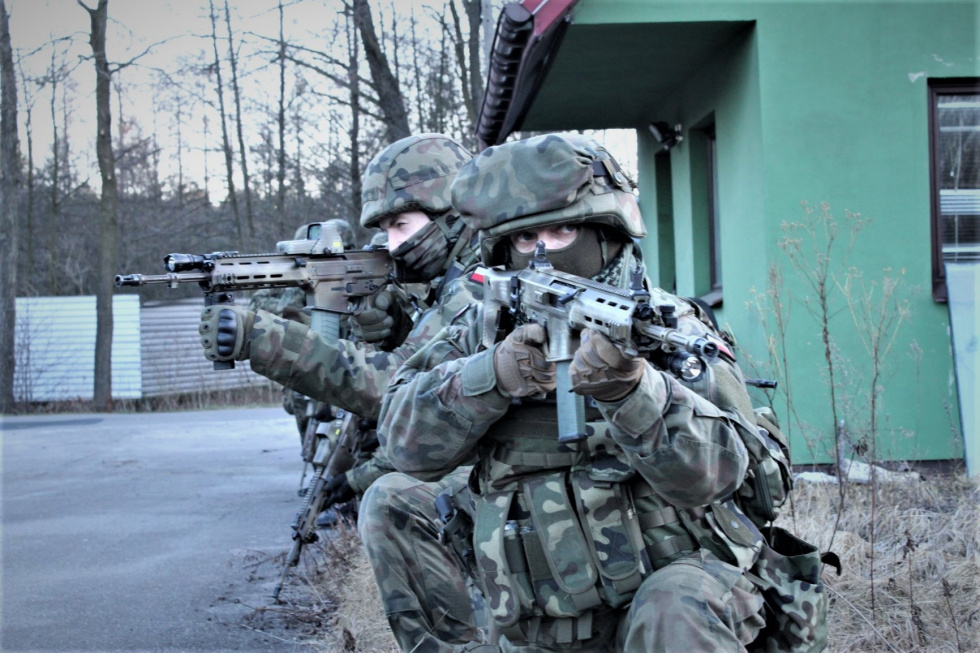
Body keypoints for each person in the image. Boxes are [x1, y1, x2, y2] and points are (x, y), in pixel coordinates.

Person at [374, 133, 771, 652]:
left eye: (563, 231)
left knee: (677, 606)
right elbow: (402, 444)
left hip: (658, 606)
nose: (543, 253)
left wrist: (635, 393)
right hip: (538, 613)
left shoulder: (669, 329)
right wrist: (492, 375)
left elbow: (722, 480)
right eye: (525, 240)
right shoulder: (482, 326)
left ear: (607, 230)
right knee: (391, 498)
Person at [198, 133, 494, 649]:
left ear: (453, 212)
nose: (390, 244)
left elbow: (392, 387)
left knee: (389, 501)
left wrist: (262, 338)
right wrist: (395, 321)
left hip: (504, 477)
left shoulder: (477, 283)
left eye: (400, 225)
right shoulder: (446, 282)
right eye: (381, 230)